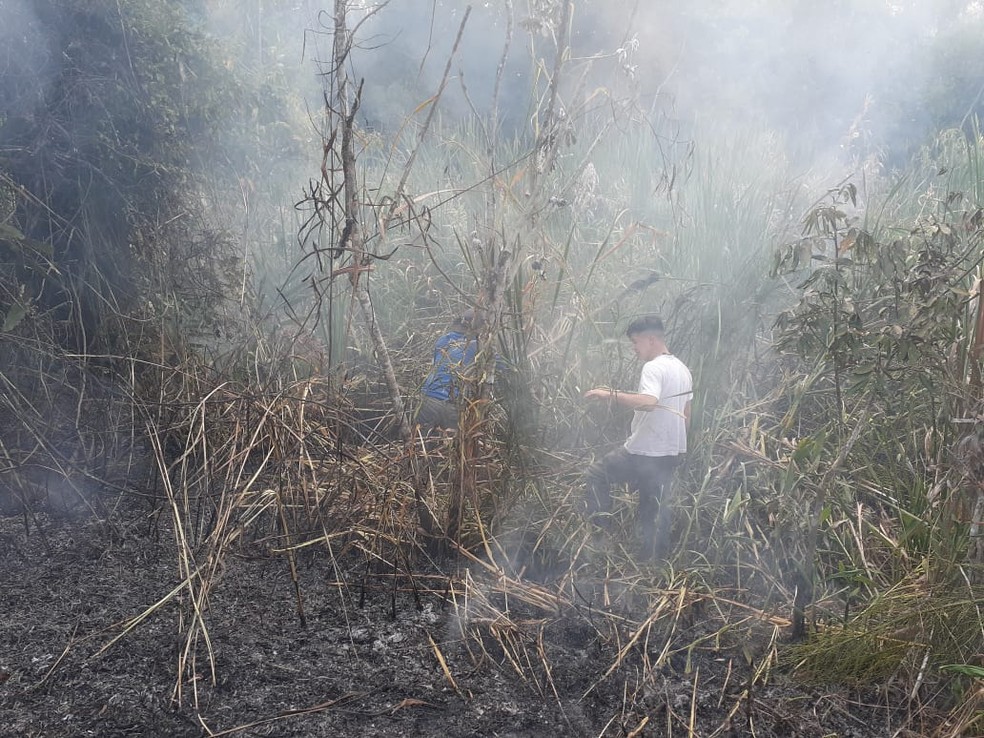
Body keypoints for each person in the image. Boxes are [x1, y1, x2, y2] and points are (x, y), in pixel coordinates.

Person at [583, 314, 693, 559]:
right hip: (669, 453)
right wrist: (678, 450)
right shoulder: (682, 369)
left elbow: (648, 403)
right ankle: (653, 565)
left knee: (595, 475)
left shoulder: (653, 367)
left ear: (650, 339)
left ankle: (600, 540)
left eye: (635, 342)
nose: (634, 349)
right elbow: (686, 413)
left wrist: (608, 394)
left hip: (645, 452)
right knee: (653, 509)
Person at [416, 308, 478, 433]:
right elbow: (503, 366)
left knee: (421, 445)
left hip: (428, 398)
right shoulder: (477, 346)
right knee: (449, 446)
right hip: (452, 404)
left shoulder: (443, 340)